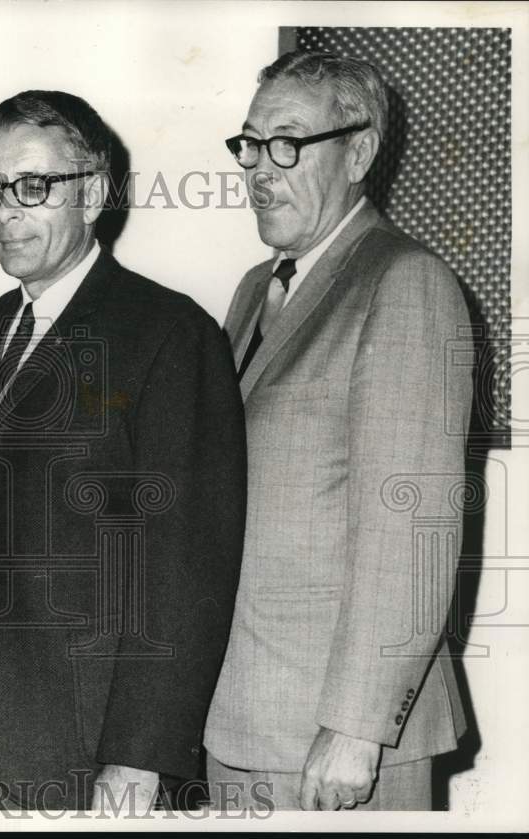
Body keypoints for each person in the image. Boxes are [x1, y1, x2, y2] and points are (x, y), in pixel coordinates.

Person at [0, 89, 246, 811]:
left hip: (88, 740)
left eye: (32, 185)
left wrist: (139, 756)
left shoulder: (168, 333)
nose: (5, 210)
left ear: (92, 193)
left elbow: (189, 566)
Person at [204, 51, 473, 811]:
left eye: (287, 142)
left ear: (358, 152)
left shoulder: (405, 282)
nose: (260, 167)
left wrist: (356, 729)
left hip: (335, 741)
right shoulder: (257, 289)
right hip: (242, 717)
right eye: (249, 144)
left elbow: (412, 526)